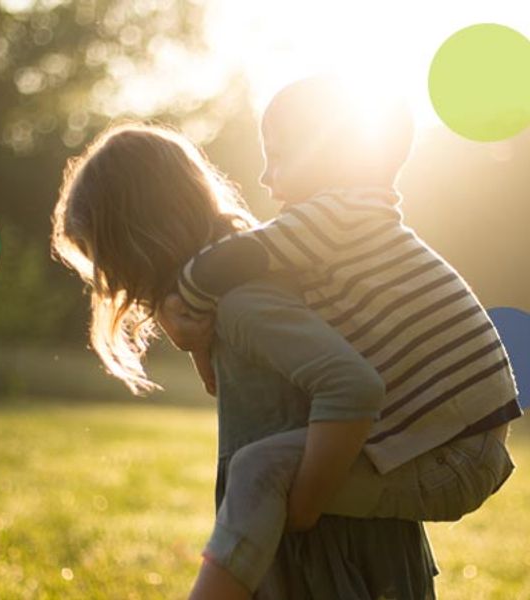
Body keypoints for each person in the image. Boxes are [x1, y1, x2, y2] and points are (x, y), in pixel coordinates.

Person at [158, 74, 521, 598]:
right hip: (459, 446)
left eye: (278, 156)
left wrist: (181, 305)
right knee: (269, 467)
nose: (264, 176)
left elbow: (231, 260)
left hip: (453, 457)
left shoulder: (338, 217)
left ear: (327, 154)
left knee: (259, 469)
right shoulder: (354, 224)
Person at [50, 120, 438, 598]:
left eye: (103, 258)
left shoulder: (244, 303)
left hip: (330, 550)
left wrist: (302, 508)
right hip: (310, 539)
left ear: (137, 240)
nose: (112, 282)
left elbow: (351, 385)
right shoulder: (229, 299)